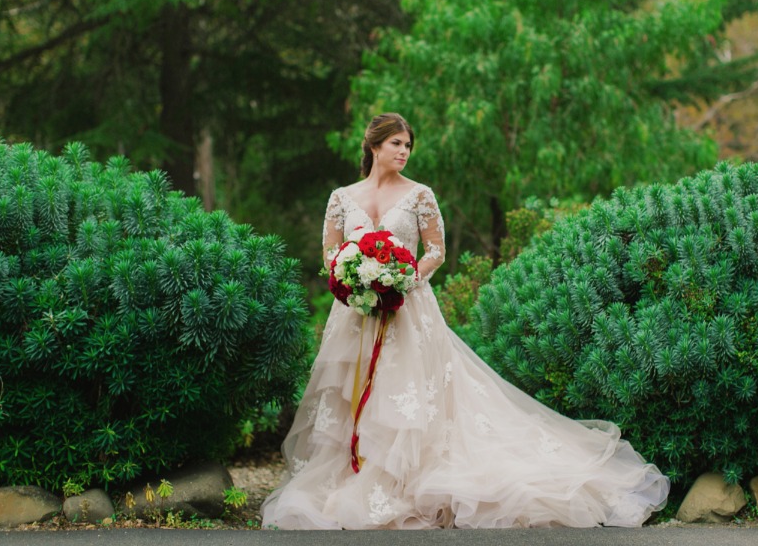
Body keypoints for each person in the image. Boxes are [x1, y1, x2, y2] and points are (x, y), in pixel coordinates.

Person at [261, 113, 669, 529]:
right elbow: (330, 251)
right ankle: (356, 472)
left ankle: (405, 480)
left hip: (407, 309)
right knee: (351, 391)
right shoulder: (342, 197)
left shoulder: (420, 195)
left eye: (407, 146)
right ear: (373, 146)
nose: (403, 152)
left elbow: (435, 250)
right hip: (355, 313)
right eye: (396, 144)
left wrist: (400, 280)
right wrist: (351, 277)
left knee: (408, 392)